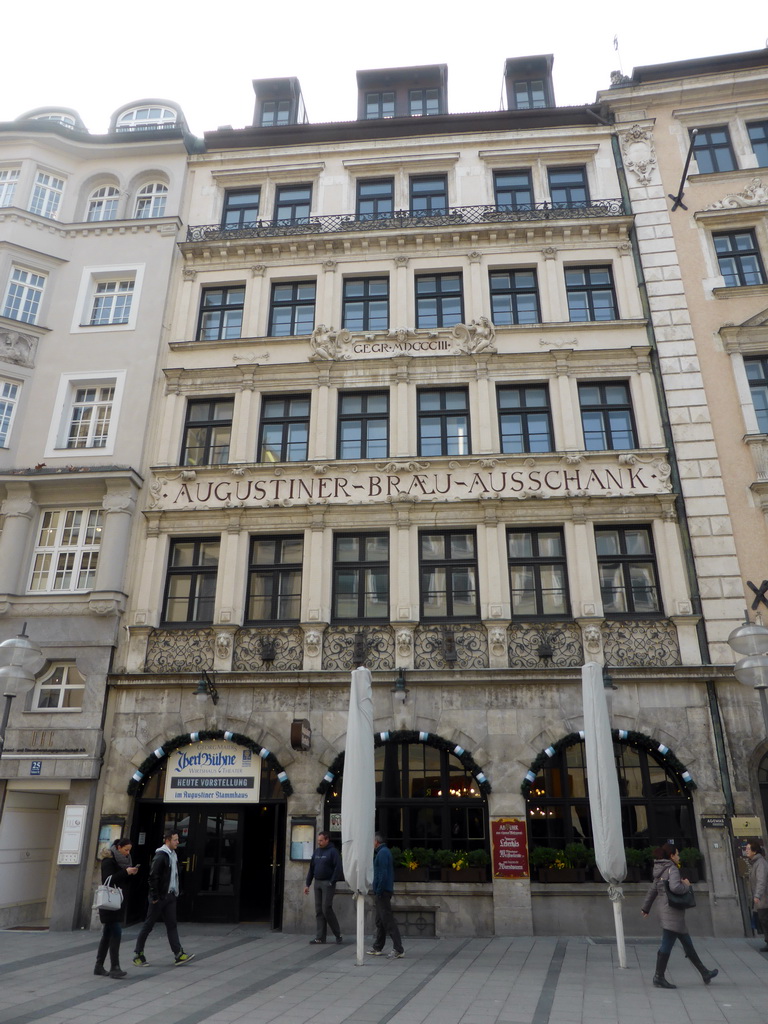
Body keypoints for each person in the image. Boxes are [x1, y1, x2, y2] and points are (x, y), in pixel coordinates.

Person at [641, 842, 717, 988]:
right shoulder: (672, 869)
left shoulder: (660, 869)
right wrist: (687, 886)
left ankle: (704, 972)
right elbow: (675, 887)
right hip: (672, 912)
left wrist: (646, 908)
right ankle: (659, 976)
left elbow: (652, 890)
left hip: (666, 911)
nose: (679, 856)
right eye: (677, 854)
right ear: (671, 856)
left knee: (687, 943)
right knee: (667, 944)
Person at [133, 831, 194, 967]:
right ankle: (138, 954)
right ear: (167, 840)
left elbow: (174, 875)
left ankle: (178, 954)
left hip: (170, 895)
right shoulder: (161, 856)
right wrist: (155, 896)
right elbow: (153, 876)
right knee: (149, 925)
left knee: (172, 925)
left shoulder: (173, 855)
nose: (178, 842)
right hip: (160, 896)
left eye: (178, 840)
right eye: (175, 840)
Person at [94, 837, 138, 979]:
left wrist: (130, 873)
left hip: (117, 902)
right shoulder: (108, 860)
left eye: (129, 850)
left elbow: (123, 880)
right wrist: (126, 872)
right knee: (116, 932)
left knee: (107, 934)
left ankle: (99, 966)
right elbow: (108, 879)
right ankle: (115, 967)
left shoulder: (124, 861)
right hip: (109, 903)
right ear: (118, 847)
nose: (127, 853)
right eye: (126, 850)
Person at [366, 833, 404, 959]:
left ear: (376, 841)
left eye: (372, 841)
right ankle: (378, 946)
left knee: (387, 920)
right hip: (382, 891)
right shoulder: (383, 852)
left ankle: (398, 949)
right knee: (380, 920)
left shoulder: (382, 853)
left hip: (383, 891)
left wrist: (379, 890)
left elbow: (382, 874)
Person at [304, 830, 343, 944]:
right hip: (317, 882)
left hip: (328, 883)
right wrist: (307, 884)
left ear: (327, 840)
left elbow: (338, 868)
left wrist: (332, 881)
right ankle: (320, 937)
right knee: (319, 910)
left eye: (321, 840)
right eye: (318, 840)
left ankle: (337, 933)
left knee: (326, 908)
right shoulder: (316, 852)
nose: (319, 843)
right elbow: (311, 869)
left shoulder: (333, 852)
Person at [745, 838, 768, 950]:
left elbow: (761, 880)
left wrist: (757, 895)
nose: (746, 851)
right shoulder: (755, 863)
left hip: (764, 899)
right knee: (763, 920)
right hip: (761, 899)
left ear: (755, 851)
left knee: (765, 920)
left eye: (748, 848)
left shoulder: (760, 863)